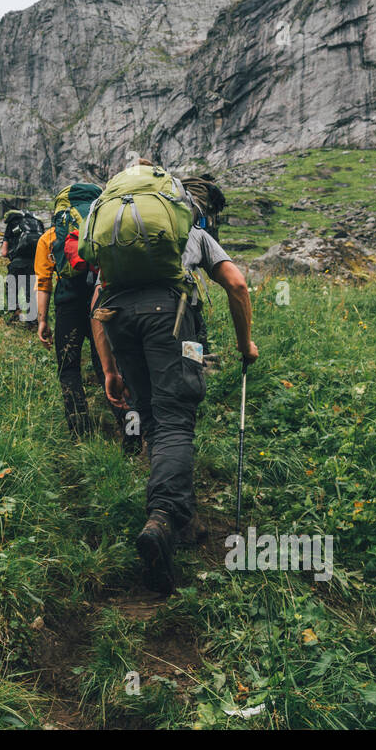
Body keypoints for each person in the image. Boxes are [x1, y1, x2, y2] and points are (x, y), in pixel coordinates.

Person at [88, 161, 257, 595]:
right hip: (173, 323)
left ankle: (184, 518)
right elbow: (236, 285)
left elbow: (97, 304)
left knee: (151, 419)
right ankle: (162, 518)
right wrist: (245, 346)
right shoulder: (192, 233)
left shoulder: (116, 243)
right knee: (176, 421)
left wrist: (109, 370)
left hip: (120, 321)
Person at [34, 186, 139, 450]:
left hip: (67, 305)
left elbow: (44, 282)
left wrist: (42, 320)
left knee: (68, 369)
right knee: (111, 367)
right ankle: (132, 432)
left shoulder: (50, 236)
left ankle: (80, 433)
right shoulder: (102, 231)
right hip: (103, 304)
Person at [0, 209, 42, 325]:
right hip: (34, 264)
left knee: (12, 288)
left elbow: (4, 252)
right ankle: (32, 322)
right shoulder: (38, 224)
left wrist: (12, 253)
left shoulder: (13, 224)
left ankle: (15, 315)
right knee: (31, 293)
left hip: (16, 264)